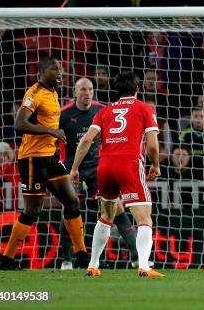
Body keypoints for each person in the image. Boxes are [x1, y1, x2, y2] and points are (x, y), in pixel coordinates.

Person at [0, 57, 89, 270]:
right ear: (41, 72)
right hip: (32, 159)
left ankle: (82, 255)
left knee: (72, 201)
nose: (60, 73)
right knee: (32, 211)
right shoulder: (34, 94)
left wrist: (54, 141)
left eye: (61, 70)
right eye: (55, 69)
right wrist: (50, 131)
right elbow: (20, 124)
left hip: (51, 157)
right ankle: (7, 259)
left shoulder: (54, 93)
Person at [69, 70, 164, 278]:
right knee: (144, 218)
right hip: (128, 164)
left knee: (106, 215)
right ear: (137, 89)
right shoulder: (144, 108)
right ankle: (144, 266)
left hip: (105, 166)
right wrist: (155, 165)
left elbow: (86, 140)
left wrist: (74, 168)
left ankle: (93, 266)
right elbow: (153, 145)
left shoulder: (104, 111)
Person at [58, 78, 139, 270]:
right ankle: (67, 260)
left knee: (116, 207)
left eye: (90, 89)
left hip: (96, 166)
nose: (87, 93)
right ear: (75, 92)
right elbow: (54, 140)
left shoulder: (101, 110)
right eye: (83, 89)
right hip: (72, 168)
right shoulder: (63, 114)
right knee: (69, 209)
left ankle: (137, 257)